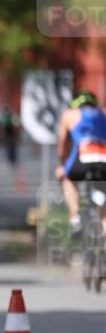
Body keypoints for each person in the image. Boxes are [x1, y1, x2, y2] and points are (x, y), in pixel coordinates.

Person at [55, 89, 106, 238]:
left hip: (82, 160)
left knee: (67, 178)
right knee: (104, 203)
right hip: (104, 161)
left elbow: (62, 147)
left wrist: (62, 165)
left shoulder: (69, 115)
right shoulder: (103, 113)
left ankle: (75, 217)